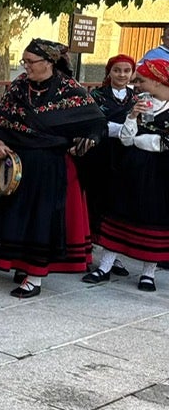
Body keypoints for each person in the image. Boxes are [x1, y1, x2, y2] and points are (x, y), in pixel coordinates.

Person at [0, 39, 106, 298]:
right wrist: (0, 143)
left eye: (31, 62)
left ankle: (35, 277)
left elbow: (96, 123)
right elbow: (0, 122)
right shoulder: (18, 87)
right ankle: (21, 266)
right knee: (17, 216)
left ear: (48, 62)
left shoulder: (69, 90)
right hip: (17, 162)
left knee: (41, 219)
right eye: (24, 61)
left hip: (49, 165)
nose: (26, 67)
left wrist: (86, 142)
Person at [83, 58, 169, 292]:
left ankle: (148, 274)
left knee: (153, 218)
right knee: (120, 211)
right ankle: (105, 266)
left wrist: (146, 141)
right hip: (133, 167)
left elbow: (162, 144)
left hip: (159, 173)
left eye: (141, 80)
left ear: (157, 80)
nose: (137, 85)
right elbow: (126, 138)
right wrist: (132, 117)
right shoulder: (141, 104)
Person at [77, 54, 138, 278]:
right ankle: (89, 252)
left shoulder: (137, 97)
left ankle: (114, 256)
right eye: (117, 70)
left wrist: (125, 129)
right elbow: (95, 122)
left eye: (126, 71)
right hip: (101, 156)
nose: (122, 75)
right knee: (98, 202)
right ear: (109, 72)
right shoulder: (97, 95)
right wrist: (123, 128)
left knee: (118, 205)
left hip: (127, 156)